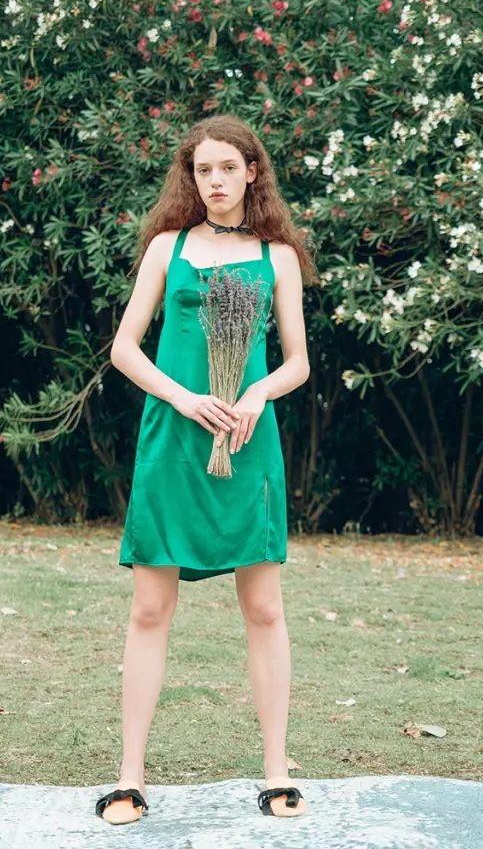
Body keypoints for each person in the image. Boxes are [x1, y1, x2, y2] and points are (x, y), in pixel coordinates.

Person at [95, 114, 318, 825]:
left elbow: (297, 362)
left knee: (265, 608)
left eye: (228, 167)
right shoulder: (168, 247)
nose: (215, 180)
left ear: (252, 172)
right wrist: (185, 398)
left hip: (247, 442)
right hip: (173, 438)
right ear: (190, 178)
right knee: (149, 608)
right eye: (203, 170)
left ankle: (277, 772)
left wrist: (256, 393)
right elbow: (124, 349)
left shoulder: (278, 256)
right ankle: (130, 778)